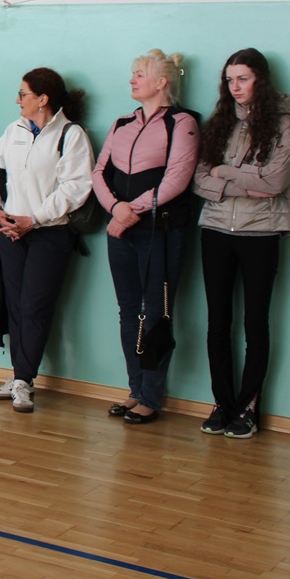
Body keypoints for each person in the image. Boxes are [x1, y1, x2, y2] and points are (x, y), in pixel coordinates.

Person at [192, 48, 290, 439]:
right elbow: (199, 180)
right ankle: (222, 403)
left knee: (256, 324)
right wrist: (241, 180)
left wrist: (224, 173)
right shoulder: (218, 123)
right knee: (217, 323)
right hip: (215, 230)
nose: (235, 87)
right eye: (229, 80)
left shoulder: (286, 125)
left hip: (262, 232)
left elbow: (275, 183)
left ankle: (248, 406)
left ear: (261, 80)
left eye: (243, 79)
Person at [91, 50, 200, 425]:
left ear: (162, 81)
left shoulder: (182, 122)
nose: (132, 80)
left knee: (156, 312)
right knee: (128, 311)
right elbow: (99, 172)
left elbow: (177, 179)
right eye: (133, 73)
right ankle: (135, 389)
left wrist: (130, 211)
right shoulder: (122, 122)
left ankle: (151, 397)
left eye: (139, 74)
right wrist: (115, 208)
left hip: (160, 232)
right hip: (120, 230)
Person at [0, 68, 93, 413]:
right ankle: (20, 376)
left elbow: (76, 188)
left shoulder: (71, 135)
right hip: (11, 233)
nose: (17, 100)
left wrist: (35, 219)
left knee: (34, 307)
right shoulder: (13, 131)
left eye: (23, 94)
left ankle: (24, 380)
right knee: (15, 306)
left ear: (43, 99)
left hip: (50, 235)